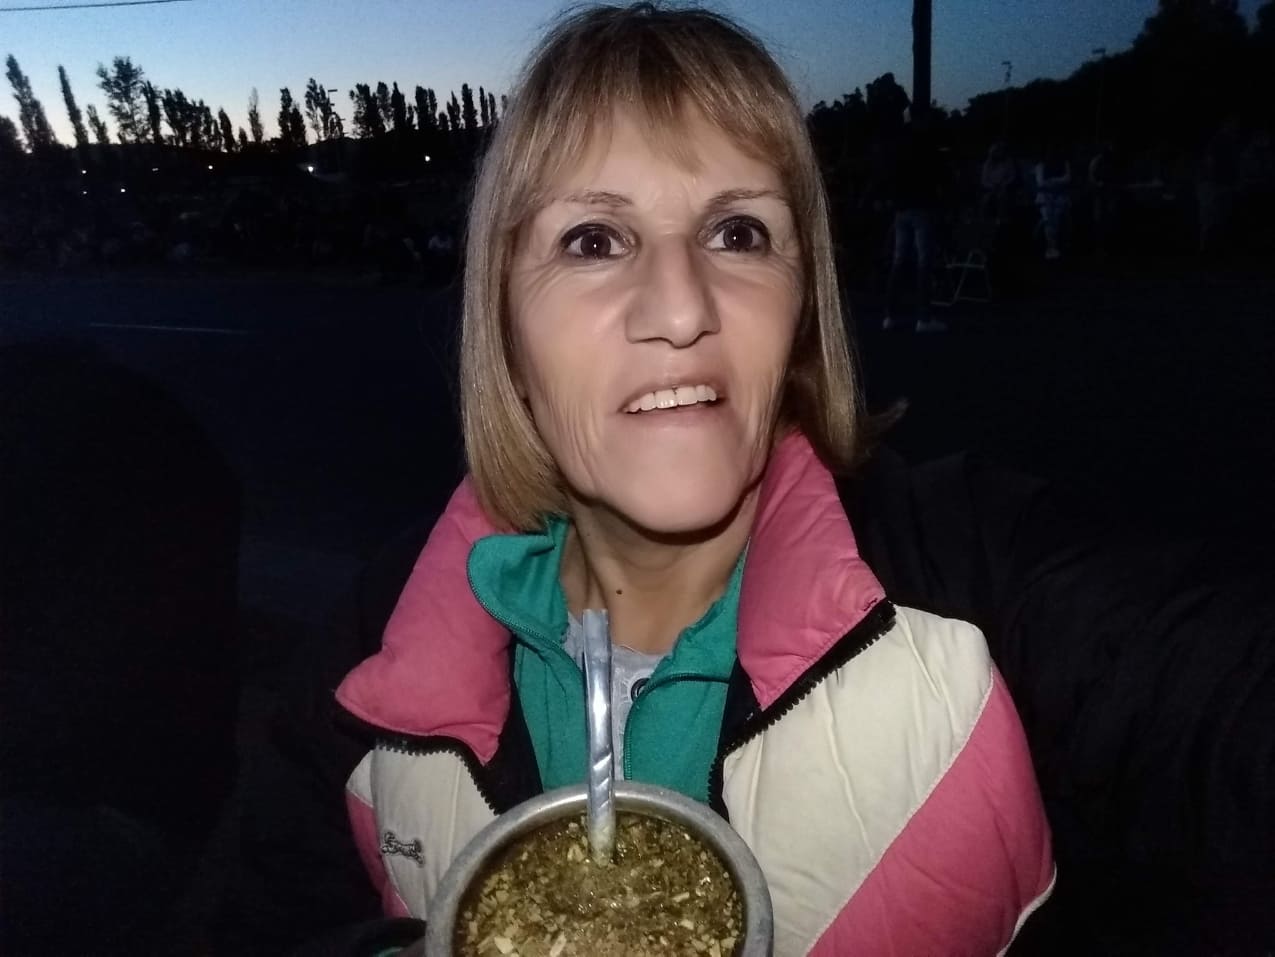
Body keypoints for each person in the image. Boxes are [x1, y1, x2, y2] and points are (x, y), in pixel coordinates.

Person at [328, 6, 1052, 954]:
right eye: (593, 239)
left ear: (801, 306)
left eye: (737, 232)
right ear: (504, 324)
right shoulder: (375, 639)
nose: (679, 310)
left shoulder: (963, 576)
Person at [1034, 144, 1072, 261]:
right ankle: (1051, 247)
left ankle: (1055, 246)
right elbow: (1041, 183)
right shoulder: (1040, 166)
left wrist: (1052, 181)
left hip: (1060, 197)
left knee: (1056, 218)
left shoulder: (1064, 164)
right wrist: (1057, 183)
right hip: (1044, 198)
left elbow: (1067, 179)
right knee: (1048, 220)